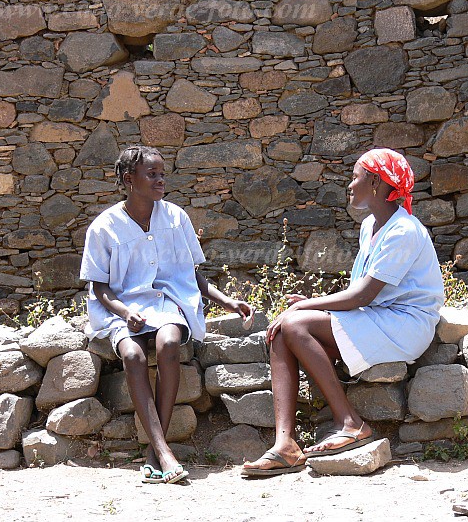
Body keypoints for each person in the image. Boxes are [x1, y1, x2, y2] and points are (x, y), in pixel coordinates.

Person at [242, 148, 444, 477]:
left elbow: (363, 295)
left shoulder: (404, 230)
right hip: (379, 319)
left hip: (405, 326)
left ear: (377, 183)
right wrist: (313, 301)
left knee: (295, 322)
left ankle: (350, 423)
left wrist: (308, 305)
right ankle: (285, 446)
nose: (349, 185)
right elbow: (360, 292)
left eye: (355, 177)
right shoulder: (371, 226)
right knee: (285, 329)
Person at [80, 145, 254, 484]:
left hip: (166, 301)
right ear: (129, 180)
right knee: (132, 354)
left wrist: (226, 301)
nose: (161, 180)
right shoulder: (104, 228)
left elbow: (190, 275)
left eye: (162, 174)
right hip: (121, 307)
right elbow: (99, 287)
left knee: (169, 343)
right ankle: (161, 449)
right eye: (152, 175)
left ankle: (157, 451)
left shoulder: (176, 218)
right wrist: (124, 310)